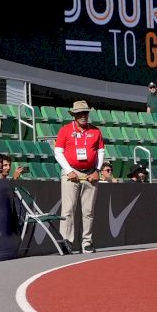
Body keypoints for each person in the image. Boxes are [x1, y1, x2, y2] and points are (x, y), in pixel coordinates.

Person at [54, 100, 105, 253]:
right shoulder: (65, 130)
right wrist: (68, 170)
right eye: (80, 113)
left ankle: (87, 242)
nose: (83, 116)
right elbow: (58, 151)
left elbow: (100, 152)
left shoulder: (95, 131)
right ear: (74, 115)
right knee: (68, 209)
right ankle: (67, 241)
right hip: (71, 171)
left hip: (90, 172)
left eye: (85, 113)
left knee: (88, 210)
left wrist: (97, 170)